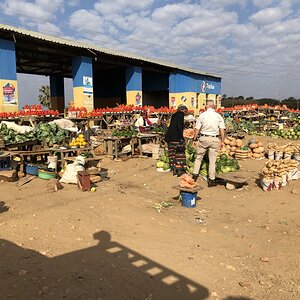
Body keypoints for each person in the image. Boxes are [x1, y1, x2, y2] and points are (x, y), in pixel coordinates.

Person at [192, 100, 226, 187]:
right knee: (212, 161)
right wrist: (222, 141)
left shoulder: (202, 115)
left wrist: (194, 139)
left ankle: (195, 176)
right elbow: (222, 129)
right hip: (214, 139)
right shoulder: (218, 116)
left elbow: (197, 128)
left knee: (199, 158)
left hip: (203, 138)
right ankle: (211, 180)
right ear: (213, 106)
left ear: (206, 106)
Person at [165, 104, 189, 176]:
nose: (186, 113)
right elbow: (179, 126)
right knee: (179, 154)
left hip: (170, 137)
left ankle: (173, 169)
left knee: (171, 154)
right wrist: (181, 138)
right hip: (176, 137)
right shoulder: (180, 115)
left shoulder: (174, 115)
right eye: (186, 111)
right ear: (183, 110)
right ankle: (179, 170)